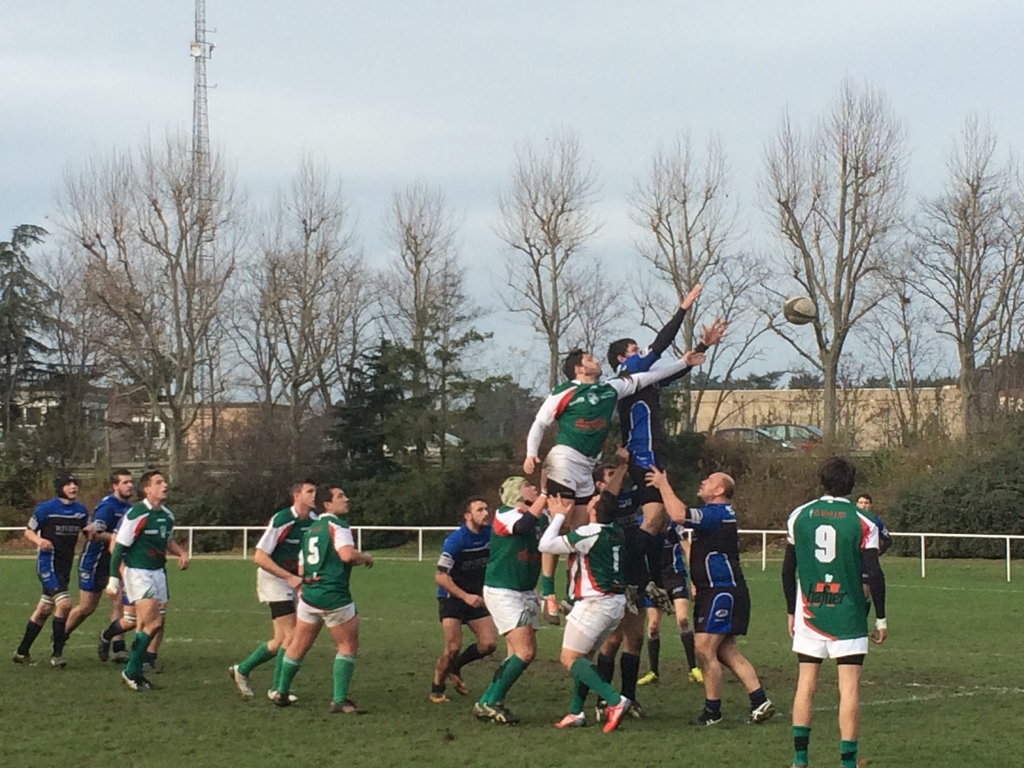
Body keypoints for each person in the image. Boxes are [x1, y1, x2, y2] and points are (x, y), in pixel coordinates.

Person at [526, 345, 707, 622]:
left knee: (582, 532)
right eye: (589, 359)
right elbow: (540, 424)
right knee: (560, 521)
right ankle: (548, 592)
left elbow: (648, 377)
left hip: (587, 467)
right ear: (579, 368)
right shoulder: (565, 391)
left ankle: (574, 594)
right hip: (564, 459)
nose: (596, 361)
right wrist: (531, 453)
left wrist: (685, 362)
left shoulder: (611, 388)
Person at [608, 285, 727, 598]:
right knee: (654, 519)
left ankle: (646, 581)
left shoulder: (642, 381)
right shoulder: (627, 372)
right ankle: (632, 578)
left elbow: (678, 369)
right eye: (634, 350)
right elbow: (660, 345)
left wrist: (704, 345)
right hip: (642, 454)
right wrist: (683, 308)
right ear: (622, 358)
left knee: (657, 522)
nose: (640, 353)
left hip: (652, 454)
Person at [646, 467, 775, 726]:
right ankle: (759, 700)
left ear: (719, 490)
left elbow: (679, 514)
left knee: (704, 649)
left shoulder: (717, 514)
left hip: (722, 590)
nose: (703, 481)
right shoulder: (715, 514)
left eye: (710, 480)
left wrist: (663, 484)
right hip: (716, 589)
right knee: (726, 650)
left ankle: (712, 712)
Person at [783, 457, 888, 768]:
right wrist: (880, 617)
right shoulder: (863, 521)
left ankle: (800, 760)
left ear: (822, 481)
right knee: (849, 687)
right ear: (851, 485)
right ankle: (847, 763)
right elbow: (874, 573)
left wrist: (791, 611)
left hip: (810, 611)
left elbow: (788, 570)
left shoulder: (799, 515)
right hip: (849, 613)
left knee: (806, 684)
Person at [272, 484, 373, 713]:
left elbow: (301, 568)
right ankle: (339, 700)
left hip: (309, 595)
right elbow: (346, 554)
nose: (346, 499)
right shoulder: (337, 525)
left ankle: (281, 692)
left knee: (298, 646)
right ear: (327, 504)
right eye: (341, 496)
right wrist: (365, 557)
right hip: (334, 595)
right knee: (347, 645)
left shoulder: (310, 529)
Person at [539, 487, 632, 734]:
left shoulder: (589, 533)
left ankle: (615, 701)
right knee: (584, 658)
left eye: (593, 500)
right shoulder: (616, 531)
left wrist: (558, 516)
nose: (589, 501)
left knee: (569, 659)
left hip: (595, 603)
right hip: (614, 603)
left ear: (594, 511)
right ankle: (575, 711)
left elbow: (545, 545)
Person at [229, 479, 318, 701]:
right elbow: (259, 556)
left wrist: (303, 577)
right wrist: (289, 577)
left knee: (279, 640)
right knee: (293, 635)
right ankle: (277, 689)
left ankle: (241, 669)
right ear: (296, 495)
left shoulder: (314, 521)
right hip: (274, 579)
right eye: (309, 491)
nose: (314, 495)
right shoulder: (283, 519)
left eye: (315, 491)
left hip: (292, 580)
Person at [471, 476, 546, 725]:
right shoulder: (505, 513)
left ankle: (490, 701)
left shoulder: (538, 516)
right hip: (504, 590)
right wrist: (545, 495)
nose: (534, 488)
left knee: (515, 653)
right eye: (528, 486)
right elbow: (523, 526)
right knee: (526, 651)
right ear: (517, 493)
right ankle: (489, 701)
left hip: (525, 590)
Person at [105, 469, 189, 691]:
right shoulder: (137, 513)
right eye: (159, 482)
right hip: (138, 573)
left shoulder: (167, 516)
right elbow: (118, 547)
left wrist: (180, 553)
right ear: (147, 489)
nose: (165, 486)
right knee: (153, 623)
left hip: (158, 572)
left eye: (164, 482)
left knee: (145, 624)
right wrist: (113, 578)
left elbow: (167, 540)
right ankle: (131, 671)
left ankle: (136, 672)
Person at [12, 472, 89, 668]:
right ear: (60, 488)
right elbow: (28, 531)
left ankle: (21, 652)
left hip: (65, 567)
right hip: (48, 565)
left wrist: (94, 531)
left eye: (75, 483)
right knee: (65, 604)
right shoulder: (46, 509)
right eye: (68, 484)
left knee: (44, 609)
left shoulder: (80, 511)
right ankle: (57, 654)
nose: (73, 487)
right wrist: (40, 541)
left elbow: (87, 530)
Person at [430, 496, 497, 703]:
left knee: (488, 644)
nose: (486, 513)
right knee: (452, 648)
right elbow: (440, 576)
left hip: (476, 596)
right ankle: (437, 688)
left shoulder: (491, 534)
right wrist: (465, 596)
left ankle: (456, 667)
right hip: (452, 596)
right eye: (479, 510)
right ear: (468, 516)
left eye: (486, 509)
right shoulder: (456, 540)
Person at [64, 469, 135, 662]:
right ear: (115, 486)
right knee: (86, 607)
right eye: (125, 482)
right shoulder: (107, 506)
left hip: (114, 561)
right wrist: (116, 538)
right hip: (94, 562)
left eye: (131, 482)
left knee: (119, 602)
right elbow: (93, 534)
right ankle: (60, 636)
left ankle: (118, 648)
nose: (130, 485)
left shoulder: (128, 507)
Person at [637, 522, 702, 687]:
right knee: (653, 626)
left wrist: (694, 580)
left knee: (683, 620)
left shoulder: (675, 527)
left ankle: (693, 668)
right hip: (654, 582)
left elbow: (688, 550)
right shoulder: (643, 524)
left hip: (676, 578)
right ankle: (653, 672)